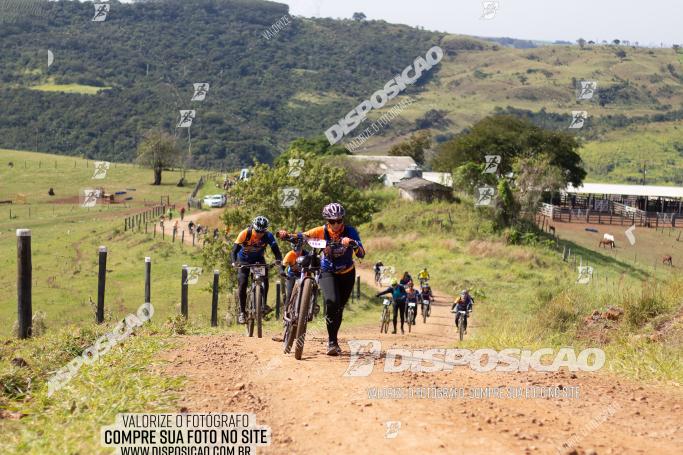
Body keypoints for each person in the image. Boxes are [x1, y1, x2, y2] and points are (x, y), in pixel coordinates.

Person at [277, 202, 365, 356]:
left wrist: (352, 244)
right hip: (328, 271)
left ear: (342, 220)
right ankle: (331, 342)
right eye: (332, 221)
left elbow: (361, 253)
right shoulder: (320, 231)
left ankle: (333, 341)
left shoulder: (350, 231)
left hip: (347, 272)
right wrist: (287, 235)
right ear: (327, 221)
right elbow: (302, 236)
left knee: (338, 309)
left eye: (339, 221)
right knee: (331, 301)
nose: (336, 224)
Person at [232, 216, 284, 324]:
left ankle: (263, 304)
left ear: (266, 230)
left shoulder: (269, 236)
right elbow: (234, 251)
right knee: (242, 283)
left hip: (258, 260)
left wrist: (278, 260)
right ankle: (242, 312)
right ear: (253, 227)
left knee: (265, 279)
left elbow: (276, 251)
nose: (260, 233)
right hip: (244, 260)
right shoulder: (245, 233)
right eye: (258, 231)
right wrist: (234, 262)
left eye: (262, 231)